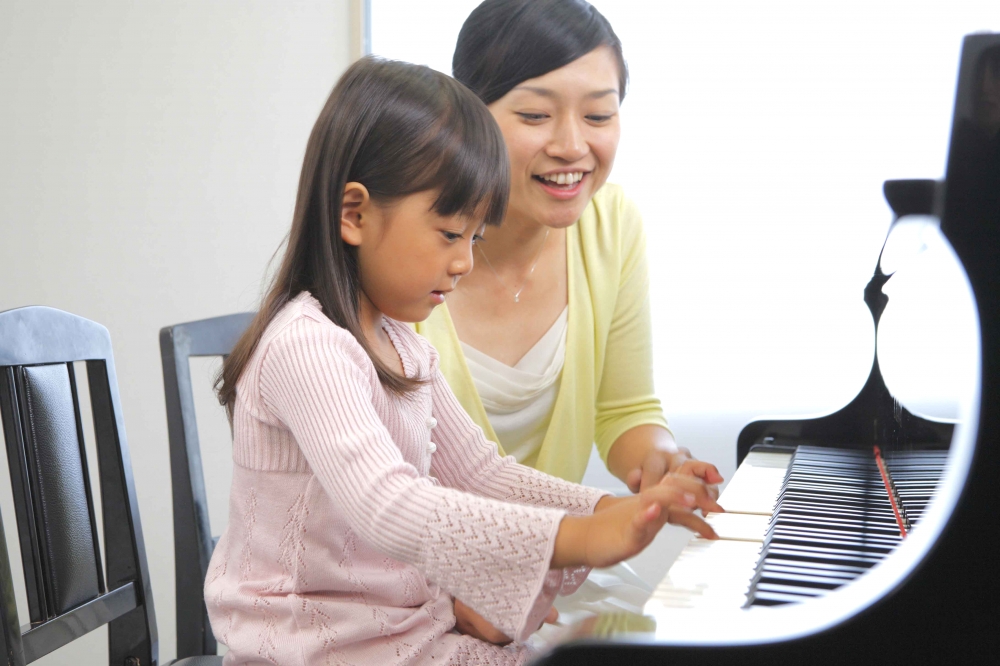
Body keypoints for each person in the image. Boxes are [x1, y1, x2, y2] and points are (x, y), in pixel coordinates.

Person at [205, 57, 722, 665]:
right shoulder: (306, 345)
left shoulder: (402, 342)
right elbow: (389, 504)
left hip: (397, 633)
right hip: (309, 647)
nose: (464, 263)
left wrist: (617, 509)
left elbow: (482, 474)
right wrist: (578, 537)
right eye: (450, 234)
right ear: (354, 214)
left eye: (474, 238)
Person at [415, 0, 725, 626]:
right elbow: (374, 494)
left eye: (599, 114)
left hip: (548, 570)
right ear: (465, 115)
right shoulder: (405, 238)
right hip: (407, 584)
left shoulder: (612, 226)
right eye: (534, 114)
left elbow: (625, 410)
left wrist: (659, 460)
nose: (572, 146)